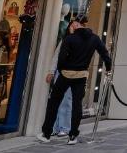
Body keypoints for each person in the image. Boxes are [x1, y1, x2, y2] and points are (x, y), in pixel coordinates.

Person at [37, 15, 112, 145]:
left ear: (77, 24)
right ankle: (72, 136)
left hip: (65, 74)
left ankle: (47, 134)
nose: (72, 25)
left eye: (74, 23)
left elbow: (61, 58)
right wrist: (109, 68)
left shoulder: (69, 38)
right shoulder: (95, 39)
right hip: (81, 75)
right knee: (77, 105)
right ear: (86, 24)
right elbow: (105, 54)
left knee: (53, 103)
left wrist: (61, 70)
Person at [45, 17, 77, 137]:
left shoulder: (80, 41)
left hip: (73, 73)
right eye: (71, 26)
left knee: (67, 101)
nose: (73, 28)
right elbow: (56, 56)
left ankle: (65, 127)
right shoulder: (64, 41)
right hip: (60, 72)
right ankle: (54, 127)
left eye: (75, 26)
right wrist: (51, 72)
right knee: (56, 99)